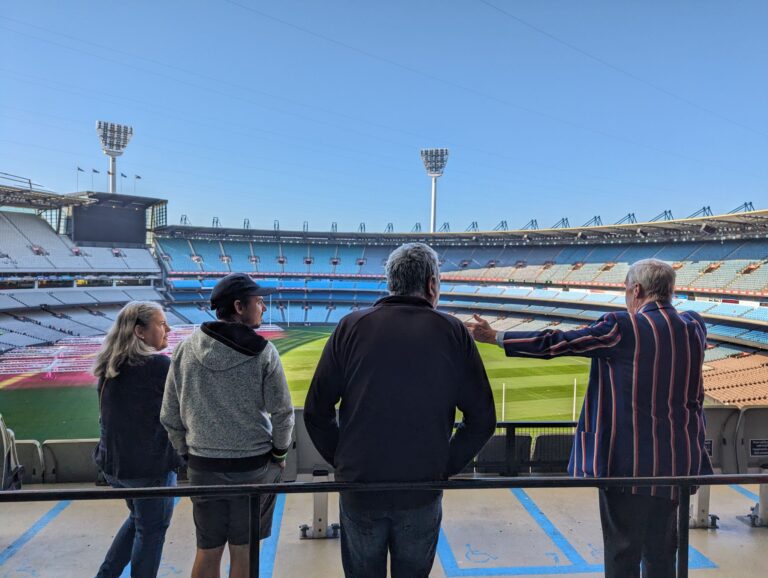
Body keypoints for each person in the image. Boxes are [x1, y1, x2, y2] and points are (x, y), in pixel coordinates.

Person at [466, 258, 713, 578]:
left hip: (627, 469)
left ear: (636, 290)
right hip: (677, 469)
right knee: (663, 555)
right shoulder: (694, 327)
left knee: (623, 555)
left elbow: (558, 342)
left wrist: (496, 337)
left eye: (626, 290)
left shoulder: (622, 326)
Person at [304, 242, 497, 578]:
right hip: (421, 490)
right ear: (432, 285)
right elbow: (482, 419)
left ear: (390, 283)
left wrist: (345, 460)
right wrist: (443, 464)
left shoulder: (350, 327)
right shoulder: (452, 331)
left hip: (360, 488)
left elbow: (316, 411)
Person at [161, 273, 294, 578]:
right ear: (238, 306)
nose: (263, 306)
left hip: (203, 467)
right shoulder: (264, 352)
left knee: (207, 552)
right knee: (244, 553)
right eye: (257, 301)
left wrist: (188, 453)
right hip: (254, 469)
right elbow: (283, 414)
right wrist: (280, 454)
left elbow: (169, 415)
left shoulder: (184, 350)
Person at [93, 301, 180, 578]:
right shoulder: (158, 365)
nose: (168, 329)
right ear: (140, 331)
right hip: (148, 470)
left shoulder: (111, 364)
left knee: (139, 521)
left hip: (115, 468)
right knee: (151, 531)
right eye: (161, 323)